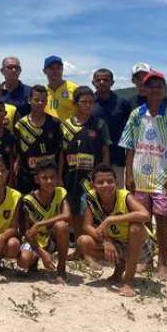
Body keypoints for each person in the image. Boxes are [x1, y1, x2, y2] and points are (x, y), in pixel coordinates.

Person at [120, 70, 167, 281]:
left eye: (160, 85)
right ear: (145, 90)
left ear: (164, 89)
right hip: (139, 175)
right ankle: (147, 259)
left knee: (162, 218)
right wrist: (128, 173)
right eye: (151, 85)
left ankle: (162, 264)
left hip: (162, 175)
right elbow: (129, 145)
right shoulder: (136, 114)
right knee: (142, 218)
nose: (156, 89)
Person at [77, 165, 151, 297]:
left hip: (140, 247)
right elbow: (87, 226)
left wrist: (111, 219)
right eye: (100, 182)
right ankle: (119, 268)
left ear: (116, 183)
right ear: (93, 185)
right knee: (83, 241)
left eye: (110, 181)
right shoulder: (91, 198)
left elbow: (145, 215)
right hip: (116, 241)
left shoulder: (124, 196)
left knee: (136, 227)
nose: (106, 185)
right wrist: (105, 241)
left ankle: (128, 281)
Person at [60, 86, 111, 243]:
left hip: (91, 176)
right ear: (75, 104)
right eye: (84, 102)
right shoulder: (65, 126)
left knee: (88, 210)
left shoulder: (100, 125)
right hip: (71, 175)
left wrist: (103, 176)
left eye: (91, 102)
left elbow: (105, 151)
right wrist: (59, 176)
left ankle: (91, 246)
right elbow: (61, 154)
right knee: (74, 210)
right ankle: (79, 245)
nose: (88, 105)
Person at [17, 160, 70, 282]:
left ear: (57, 178)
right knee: (23, 261)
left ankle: (61, 270)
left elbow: (66, 215)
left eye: (52, 177)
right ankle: (34, 261)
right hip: (34, 241)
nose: (49, 181)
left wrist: (40, 224)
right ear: (37, 179)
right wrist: (42, 253)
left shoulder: (60, 192)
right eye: (44, 178)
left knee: (61, 226)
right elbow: (26, 233)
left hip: (52, 239)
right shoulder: (28, 201)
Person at [13, 85, 62, 195]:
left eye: (43, 100)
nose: (40, 103)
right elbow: (16, 150)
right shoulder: (20, 125)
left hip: (49, 178)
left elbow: (61, 151)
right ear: (29, 100)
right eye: (36, 100)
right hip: (27, 175)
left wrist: (59, 175)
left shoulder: (55, 123)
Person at [91, 68, 132, 183]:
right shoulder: (89, 103)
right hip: (93, 157)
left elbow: (129, 130)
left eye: (105, 79)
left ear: (112, 82)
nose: (102, 82)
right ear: (93, 83)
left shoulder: (122, 103)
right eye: (98, 80)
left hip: (117, 157)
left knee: (116, 192)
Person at [43, 55, 78, 122]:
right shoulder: (42, 91)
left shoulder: (74, 89)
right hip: (49, 130)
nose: (55, 71)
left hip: (70, 130)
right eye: (51, 68)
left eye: (58, 68)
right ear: (44, 71)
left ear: (62, 70)